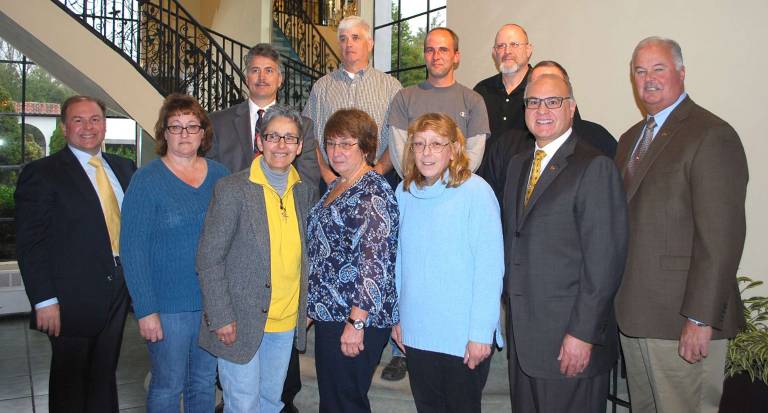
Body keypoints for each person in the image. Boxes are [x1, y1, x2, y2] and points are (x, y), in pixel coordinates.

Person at [614, 37, 748, 413]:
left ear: (681, 73)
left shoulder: (711, 134)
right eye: (640, 71)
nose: (648, 79)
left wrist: (700, 317)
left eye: (659, 69)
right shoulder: (629, 140)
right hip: (636, 315)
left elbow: (721, 239)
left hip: (681, 319)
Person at [502, 74, 628, 412]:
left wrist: (583, 334)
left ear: (571, 107)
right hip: (525, 338)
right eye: (533, 102)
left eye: (553, 101)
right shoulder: (518, 166)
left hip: (568, 340)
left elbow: (604, 262)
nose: (542, 110)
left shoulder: (594, 167)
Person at [15, 95, 136, 412]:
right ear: (64, 127)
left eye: (95, 119)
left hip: (119, 289)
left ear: (105, 124)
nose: (88, 127)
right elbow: (31, 243)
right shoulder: (42, 173)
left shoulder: (124, 168)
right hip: (69, 298)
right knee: (71, 383)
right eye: (78, 120)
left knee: (104, 375)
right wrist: (44, 300)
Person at [196, 105, 316, 413]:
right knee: (243, 405)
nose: (280, 145)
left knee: (271, 403)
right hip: (239, 321)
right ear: (259, 141)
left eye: (289, 138)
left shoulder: (302, 192)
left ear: (300, 146)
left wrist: (305, 307)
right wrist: (220, 316)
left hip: (284, 320)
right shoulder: (233, 189)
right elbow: (209, 257)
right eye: (273, 136)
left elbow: (306, 257)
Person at [120, 94, 227, 412]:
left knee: (204, 384)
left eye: (192, 126)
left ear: (203, 133)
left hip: (212, 304)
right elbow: (132, 249)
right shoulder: (146, 180)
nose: (184, 133)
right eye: (176, 126)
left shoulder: (221, 176)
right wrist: (145, 309)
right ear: (163, 133)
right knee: (167, 386)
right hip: (167, 308)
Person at [391, 113, 504, 413]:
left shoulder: (476, 192)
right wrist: (397, 317)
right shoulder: (403, 194)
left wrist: (481, 333)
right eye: (419, 144)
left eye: (436, 144)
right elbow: (397, 261)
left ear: (454, 149)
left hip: (462, 335)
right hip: (417, 329)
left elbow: (489, 269)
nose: (427, 152)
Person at [306, 109, 399, 412]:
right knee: (333, 401)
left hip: (355, 316)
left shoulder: (372, 192)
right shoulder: (337, 185)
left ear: (366, 147)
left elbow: (375, 263)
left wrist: (356, 322)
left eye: (347, 144)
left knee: (347, 402)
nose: (336, 151)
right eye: (331, 143)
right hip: (330, 313)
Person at [479, 60, 617, 203]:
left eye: (552, 100)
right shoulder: (509, 150)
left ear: (570, 104)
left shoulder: (598, 144)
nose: (542, 109)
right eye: (534, 98)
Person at [302, 16, 402, 186]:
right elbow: (309, 134)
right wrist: (327, 175)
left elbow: (398, 136)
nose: (348, 44)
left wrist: (377, 171)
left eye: (355, 37)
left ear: (370, 44)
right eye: (343, 39)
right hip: (331, 180)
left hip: (378, 178)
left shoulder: (391, 87)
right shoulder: (321, 87)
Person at [208, 43, 320, 190]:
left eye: (269, 71)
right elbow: (211, 177)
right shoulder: (218, 123)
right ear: (247, 78)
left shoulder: (303, 126)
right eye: (255, 70)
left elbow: (308, 183)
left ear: (280, 79)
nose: (262, 77)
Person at [389, 27, 490, 177]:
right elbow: (399, 153)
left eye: (443, 50)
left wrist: (448, 185)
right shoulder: (404, 98)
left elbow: (473, 155)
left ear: (456, 56)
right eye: (430, 50)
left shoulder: (474, 101)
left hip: (456, 189)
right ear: (424, 56)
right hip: (414, 188)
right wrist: (419, 183)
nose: (436, 56)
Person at [473, 23, 533, 138]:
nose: (507, 51)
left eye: (514, 44)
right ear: (494, 53)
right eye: (501, 46)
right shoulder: (481, 91)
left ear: (528, 50)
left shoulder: (545, 90)